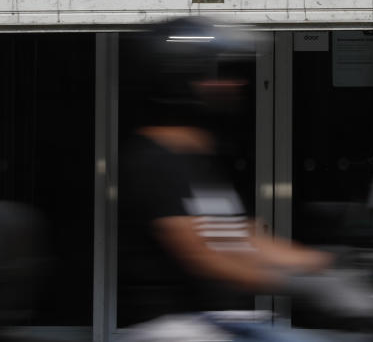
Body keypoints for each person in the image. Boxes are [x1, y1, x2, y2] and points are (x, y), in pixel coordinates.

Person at [118, 17, 333, 341]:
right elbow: (199, 253)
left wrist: (331, 264)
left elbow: (243, 237)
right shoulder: (153, 159)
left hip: (223, 321)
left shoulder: (199, 155)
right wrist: (295, 284)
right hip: (175, 328)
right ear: (180, 79)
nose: (237, 83)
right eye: (219, 74)